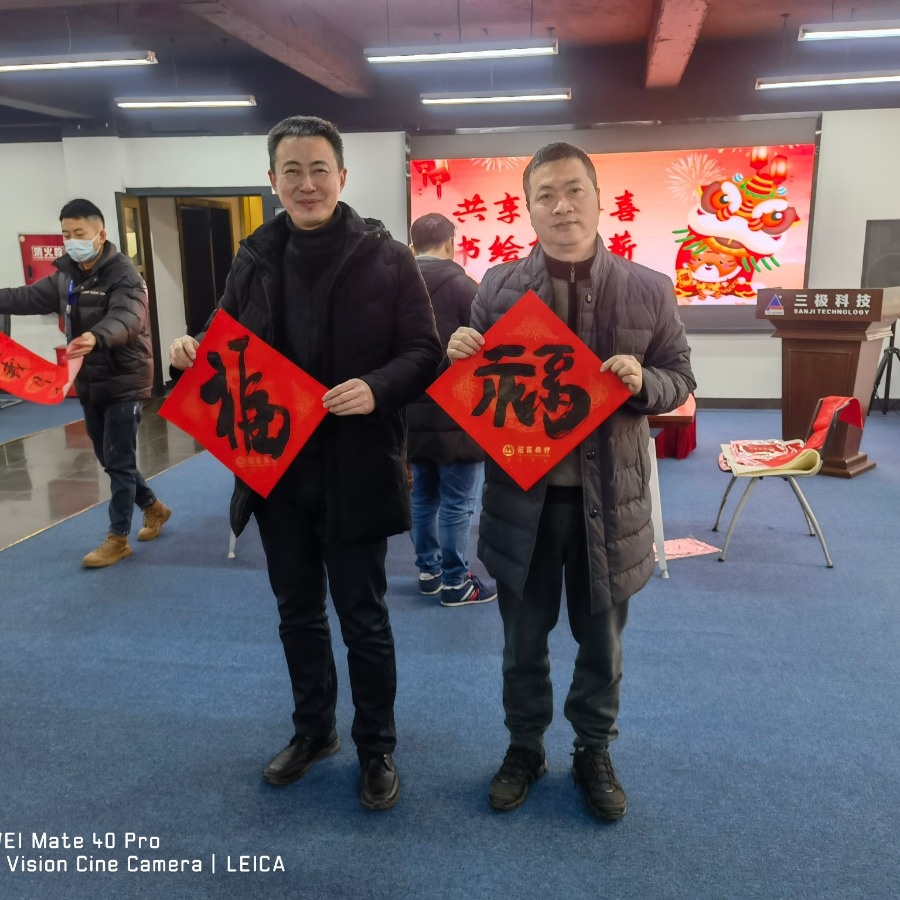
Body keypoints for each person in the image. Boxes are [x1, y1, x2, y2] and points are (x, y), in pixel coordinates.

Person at [169, 115, 441, 811]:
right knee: (296, 613)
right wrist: (194, 346)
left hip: (356, 465)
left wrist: (377, 387)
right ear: (273, 181)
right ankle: (314, 731)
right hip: (275, 469)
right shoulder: (255, 255)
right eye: (292, 171)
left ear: (342, 176)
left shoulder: (388, 257)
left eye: (319, 169)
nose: (307, 183)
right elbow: (225, 331)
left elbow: (424, 352)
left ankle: (376, 747)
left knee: (363, 618)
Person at [447, 142, 696, 821]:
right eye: (546, 195)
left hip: (608, 504)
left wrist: (644, 381)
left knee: (602, 645)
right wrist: (461, 352)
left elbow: (680, 377)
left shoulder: (648, 288)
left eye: (573, 190)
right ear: (529, 209)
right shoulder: (498, 287)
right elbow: (477, 386)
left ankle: (593, 750)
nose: (561, 206)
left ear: (597, 197)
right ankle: (524, 747)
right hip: (521, 505)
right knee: (521, 644)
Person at [0, 199, 170, 568]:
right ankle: (153, 507)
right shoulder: (67, 276)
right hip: (88, 380)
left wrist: (97, 336)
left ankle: (118, 538)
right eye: (66, 234)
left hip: (124, 378)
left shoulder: (125, 275)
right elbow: (25, 297)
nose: (72, 241)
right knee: (109, 457)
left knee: (119, 460)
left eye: (79, 233)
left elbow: (127, 317)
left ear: (100, 233)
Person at [407, 213, 496, 607]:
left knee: (422, 497)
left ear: (412, 247)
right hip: (459, 416)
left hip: (410, 412)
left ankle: (428, 572)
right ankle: (457, 582)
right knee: (458, 502)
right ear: (451, 244)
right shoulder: (467, 288)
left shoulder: (397, 288)